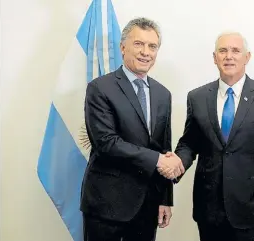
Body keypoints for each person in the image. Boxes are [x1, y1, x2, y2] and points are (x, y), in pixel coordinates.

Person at [171, 32, 254, 241]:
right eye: (223, 50)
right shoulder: (197, 97)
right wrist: (175, 163)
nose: (229, 56)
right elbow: (190, 143)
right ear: (214, 57)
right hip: (210, 212)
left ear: (247, 57)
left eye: (235, 51)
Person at [80, 17, 184, 241]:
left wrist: (165, 198)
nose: (146, 52)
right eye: (139, 44)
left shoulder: (162, 94)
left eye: (152, 46)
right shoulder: (100, 88)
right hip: (107, 206)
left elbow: (164, 148)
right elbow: (106, 143)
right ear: (123, 46)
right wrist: (158, 160)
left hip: (147, 206)